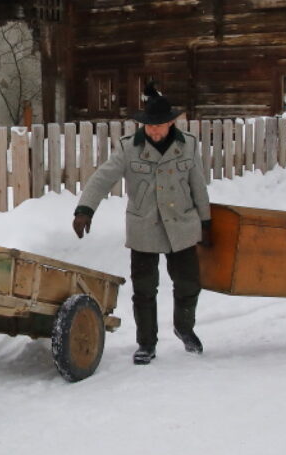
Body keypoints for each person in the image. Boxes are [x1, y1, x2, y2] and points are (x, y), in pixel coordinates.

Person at [72, 85, 211, 364]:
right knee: (144, 290)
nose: (154, 132)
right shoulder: (129, 148)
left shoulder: (188, 145)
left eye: (159, 126)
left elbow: (198, 184)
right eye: (150, 126)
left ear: (171, 123)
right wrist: (85, 209)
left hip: (182, 224)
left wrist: (205, 221)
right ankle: (146, 343)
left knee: (189, 284)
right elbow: (102, 178)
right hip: (144, 226)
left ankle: (184, 327)